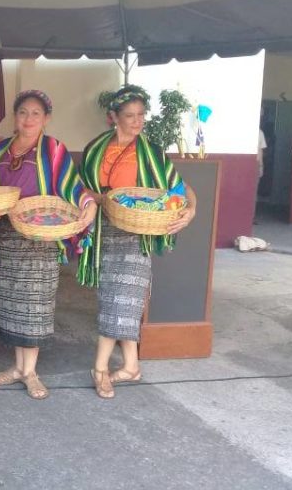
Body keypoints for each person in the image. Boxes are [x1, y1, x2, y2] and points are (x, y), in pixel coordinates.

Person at [78, 84, 197, 399]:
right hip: (105, 230)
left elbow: (180, 187)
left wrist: (191, 210)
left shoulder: (152, 152)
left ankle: (100, 368)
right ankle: (131, 366)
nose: (137, 121)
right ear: (113, 117)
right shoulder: (95, 149)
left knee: (122, 300)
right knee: (114, 298)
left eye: (141, 115)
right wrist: (101, 199)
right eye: (129, 115)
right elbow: (82, 189)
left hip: (137, 233)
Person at [0, 89, 96, 400]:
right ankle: (17, 367)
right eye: (23, 112)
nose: (29, 118)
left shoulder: (52, 149)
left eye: (36, 113)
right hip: (6, 235)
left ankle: (31, 371)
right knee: (11, 302)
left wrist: (88, 204)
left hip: (40, 236)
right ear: (15, 116)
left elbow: (71, 185)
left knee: (35, 305)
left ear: (46, 118)